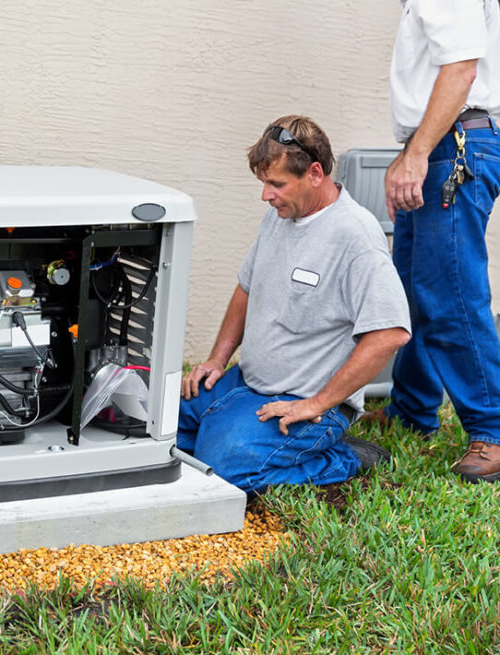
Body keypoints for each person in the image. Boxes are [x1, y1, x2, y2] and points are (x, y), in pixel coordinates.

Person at [179, 116, 412, 494]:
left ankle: (345, 457)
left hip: (304, 402)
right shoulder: (281, 216)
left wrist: (317, 403)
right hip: (246, 384)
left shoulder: (355, 236)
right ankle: (233, 429)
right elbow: (246, 288)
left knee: (224, 471)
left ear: (315, 173)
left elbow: (390, 333)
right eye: (265, 183)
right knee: (161, 432)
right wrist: (217, 359)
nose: (266, 195)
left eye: (277, 184)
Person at [376, 0, 500, 483]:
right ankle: (412, 408)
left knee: (450, 293)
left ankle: (492, 429)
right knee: (414, 287)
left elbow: (462, 69)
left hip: (453, 147)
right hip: (440, 145)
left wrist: (418, 153)